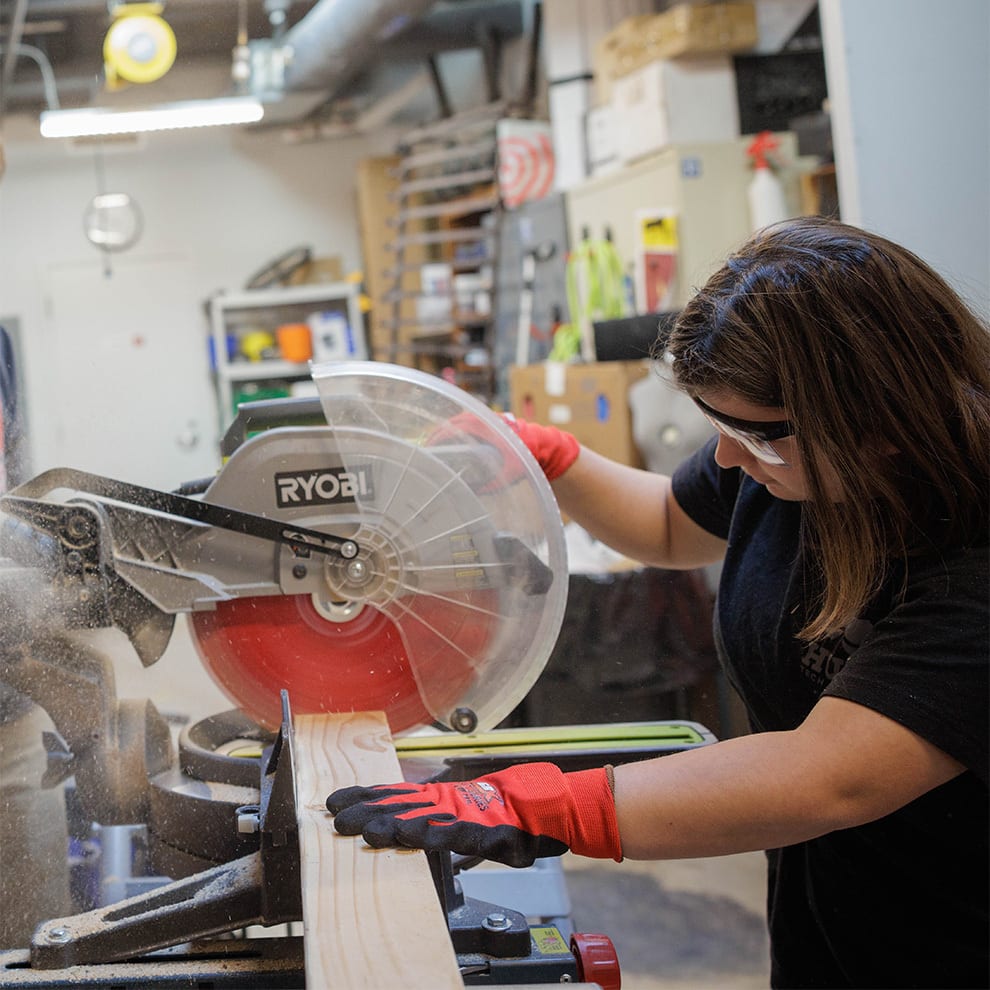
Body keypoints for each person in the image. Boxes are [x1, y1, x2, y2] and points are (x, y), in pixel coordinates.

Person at [327, 217, 989, 989]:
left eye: (759, 438)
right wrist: (542, 454)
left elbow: (829, 774)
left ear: (878, 423)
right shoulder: (787, 460)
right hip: (834, 912)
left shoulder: (973, 564)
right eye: (720, 426)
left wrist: (543, 805)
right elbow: (672, 524)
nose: (727, 458)